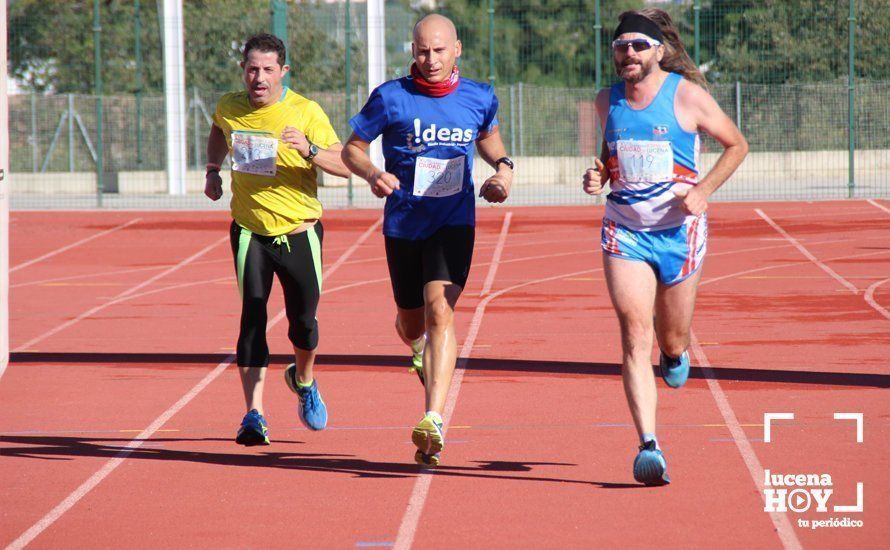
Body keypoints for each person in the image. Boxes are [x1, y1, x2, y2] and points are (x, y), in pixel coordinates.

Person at [582, 9, 748, 485]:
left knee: (670, 340)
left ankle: (675, 354)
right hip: (625, 231)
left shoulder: (689, 96)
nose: (628, 53)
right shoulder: (605, 100)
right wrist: (599, 175)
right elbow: (611, 158)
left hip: (679, 233)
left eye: (638, 45)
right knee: (635, 334)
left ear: (659, 50)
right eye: (620, 46)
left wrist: (703, 190)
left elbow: (736, 144)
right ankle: (648, 445)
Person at [341, 14, 513, 466]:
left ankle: (433, 418)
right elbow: (351, 148)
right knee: (412, 324)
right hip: (404, 225)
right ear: (412, 52)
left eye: (439, 50)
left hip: (453, 222)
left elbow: (489, 138)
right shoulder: (391, 98)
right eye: (422, 51)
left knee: (441, 309)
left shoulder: (479, 96)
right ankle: (416, 351)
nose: (430, 59)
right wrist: (374, 173)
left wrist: (503, 169)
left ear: (456, 48)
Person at [204, 33, 351, 446]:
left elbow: (343, 164)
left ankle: (303, 381)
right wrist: (213, 168)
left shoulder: (305, 111)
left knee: (303, 324)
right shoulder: (230, 106)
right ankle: (254, 414)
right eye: (253, 69)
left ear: (283, 72)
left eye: (269, 70)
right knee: (252, 316)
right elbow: (219, 129)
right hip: (251, 232)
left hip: (300, 233)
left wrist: (308, 149)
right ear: (243, 71)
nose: (260, 78)